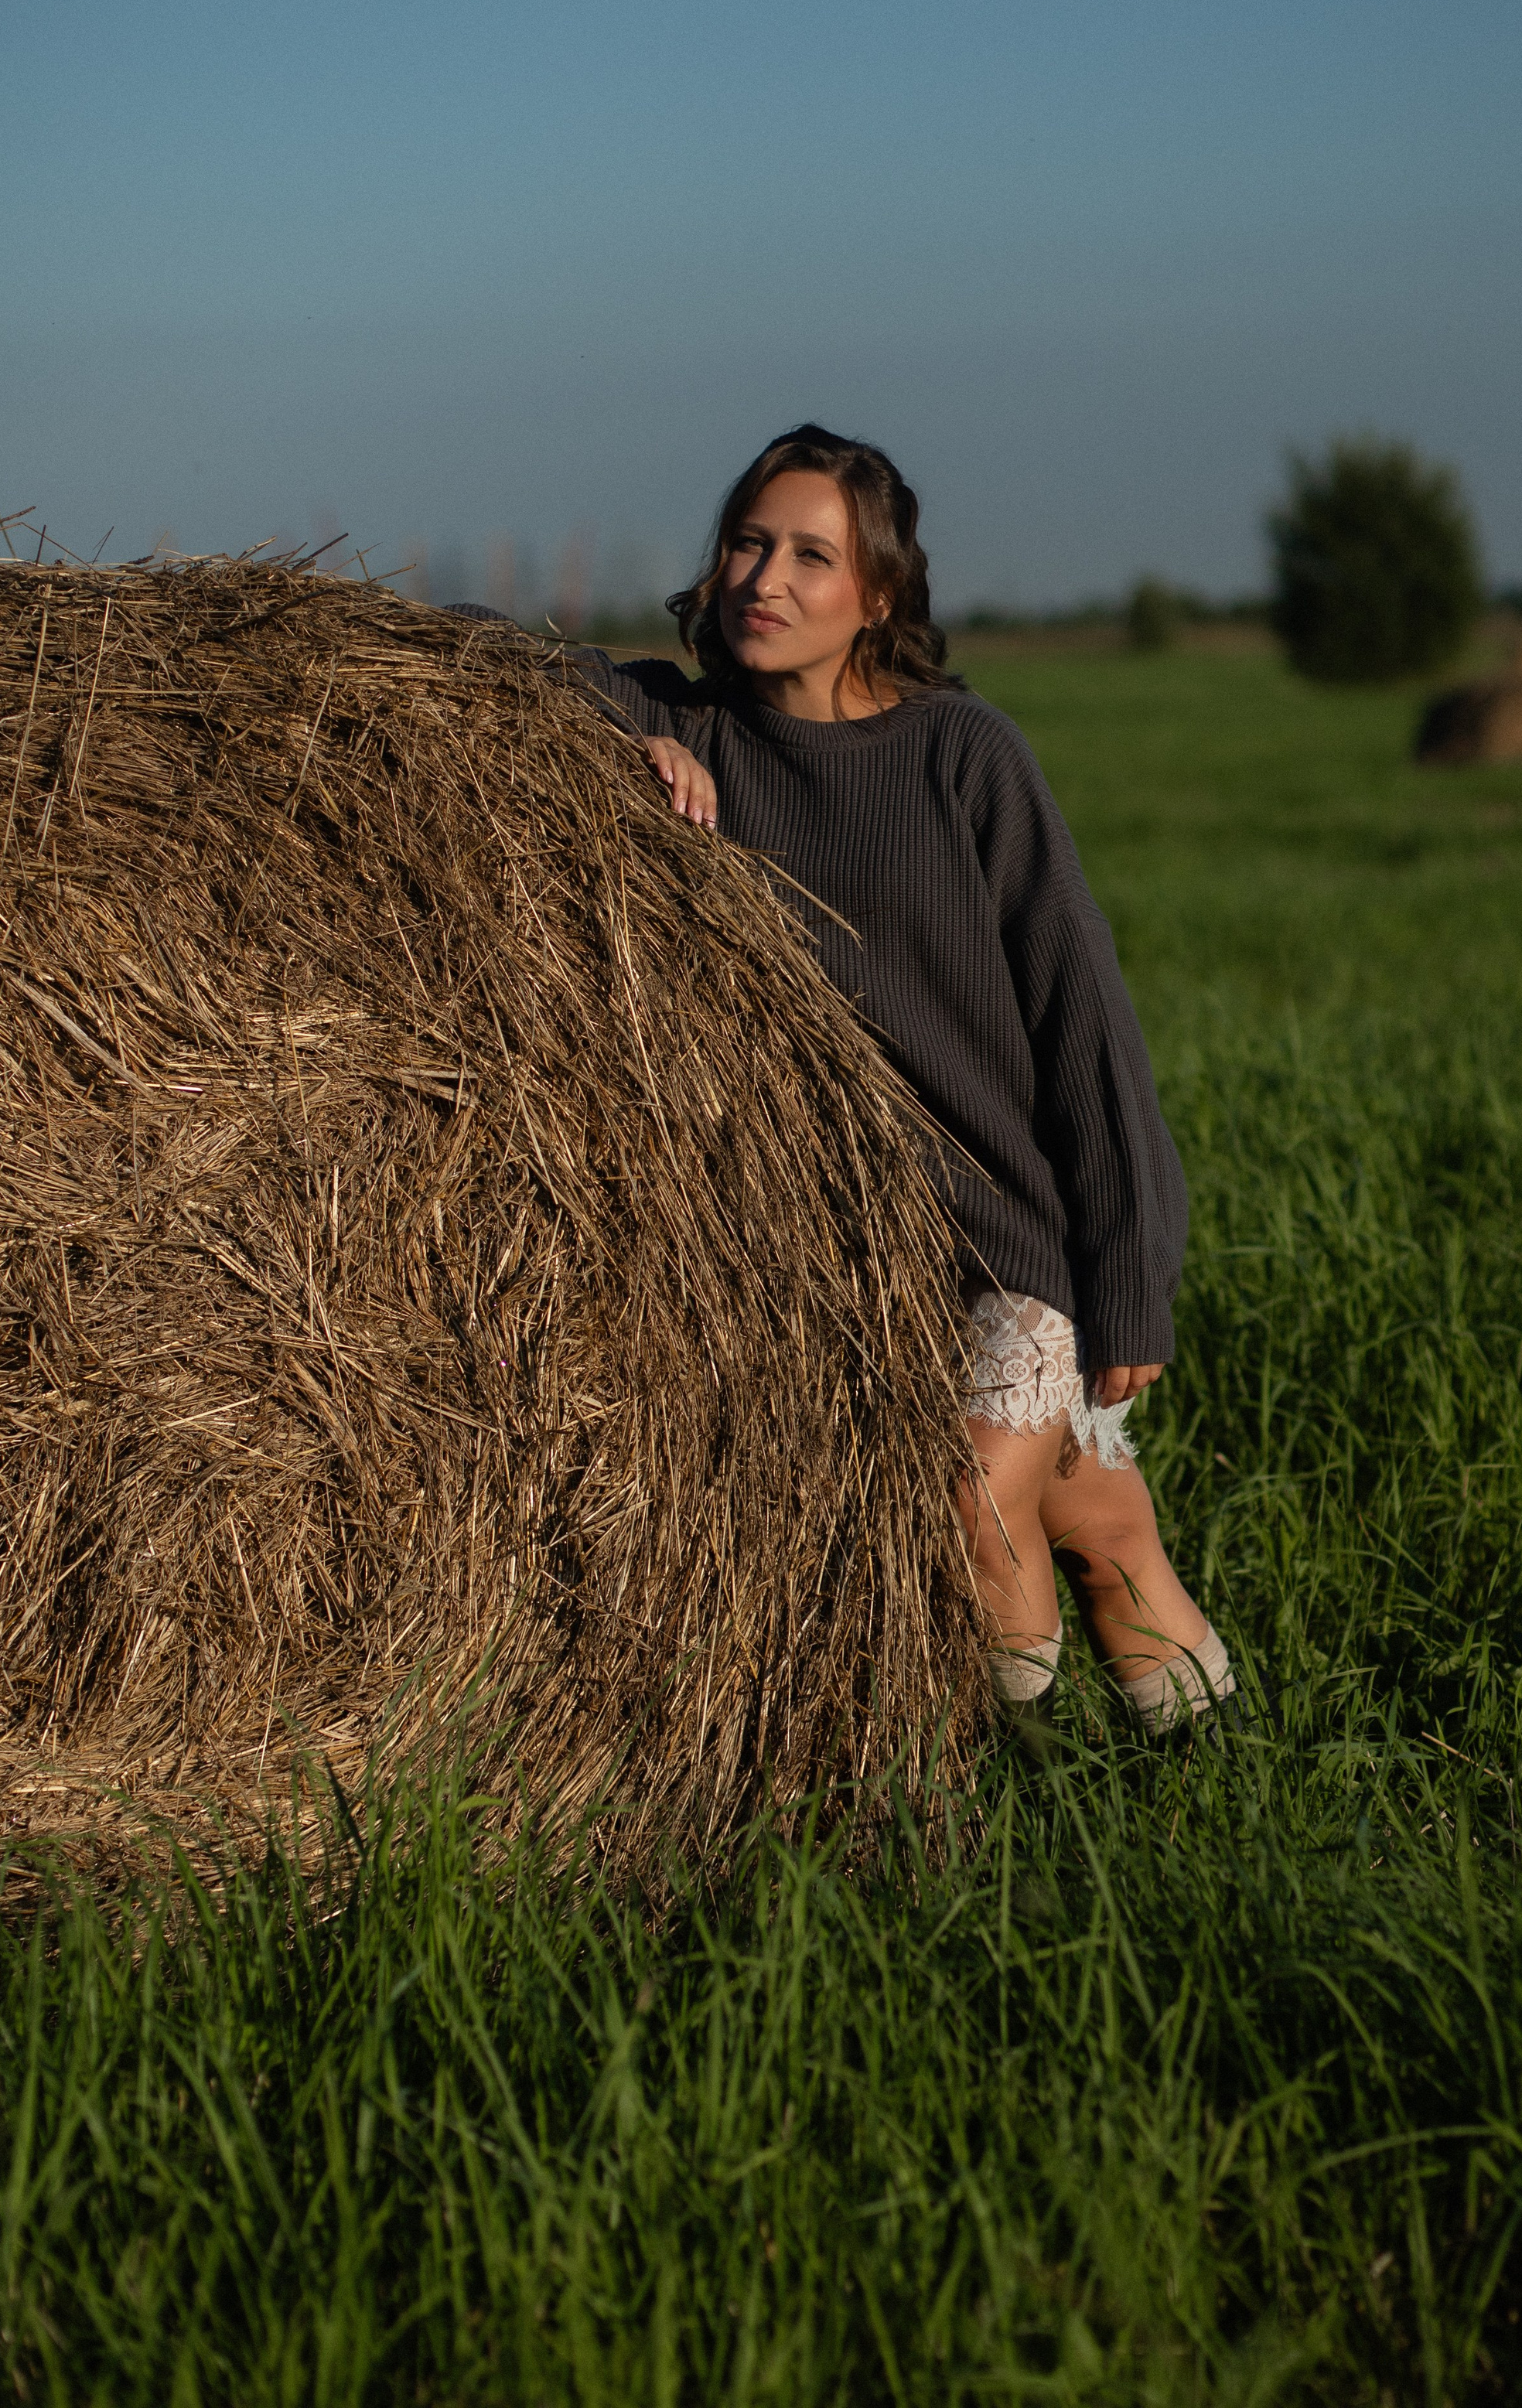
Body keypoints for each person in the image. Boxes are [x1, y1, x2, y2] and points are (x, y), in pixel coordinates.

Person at [447, 425, 1231, 1737]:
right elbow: (469, 648)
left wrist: (1133, 1275)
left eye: (813, 555)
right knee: (1097, 1534)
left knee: (976, 1519)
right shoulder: (688, 722)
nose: (765, 577)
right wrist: (613, 739)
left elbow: (1079, 1012)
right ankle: (1215, 1771)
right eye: (750, 542)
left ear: (877, 598)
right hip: (847, 1252)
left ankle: (1004, 1815)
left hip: (1012, 1237)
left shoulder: (965, 755)